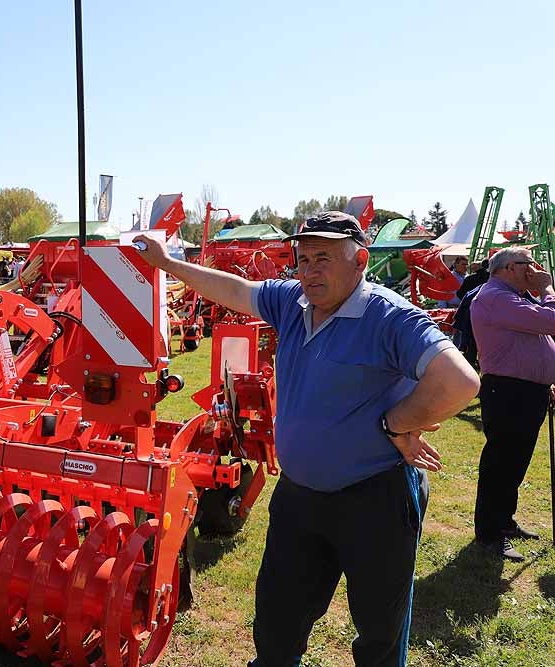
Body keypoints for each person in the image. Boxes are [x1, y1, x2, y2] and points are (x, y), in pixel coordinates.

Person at [136, 211, 480, 667]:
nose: (309, 270)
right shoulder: (292, 302)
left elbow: (460, 382)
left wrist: (397, 423)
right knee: (278, 621)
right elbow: (235, 290)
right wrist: (168, 264)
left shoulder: (388, 316)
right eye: (303, 259)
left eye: (323, 258)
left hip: (374, 498)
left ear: (360, 260)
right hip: (299, 499)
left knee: (379, 630)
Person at [470, 247, 555, 561]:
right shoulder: (495, 296)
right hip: (508, 393)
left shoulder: (512, 296)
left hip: (524, 391)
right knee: (501, 465)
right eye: (528, 264)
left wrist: (543, 378)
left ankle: (503, 522)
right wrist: (547, 288)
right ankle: (490, 533)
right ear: (508, 268)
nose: (533, 268)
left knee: (514, 464)